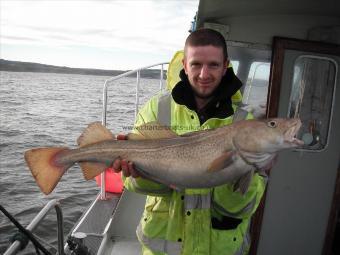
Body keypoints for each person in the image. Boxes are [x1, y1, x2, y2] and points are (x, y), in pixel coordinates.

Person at [112, 28, 266, 255]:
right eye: (196, 64)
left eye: (213, 65)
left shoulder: (245, 121)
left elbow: (243, 208)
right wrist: (140, 174)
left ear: (225, 66)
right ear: (184, 65)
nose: (204, 74)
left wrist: (245, 169)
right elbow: (134, 185)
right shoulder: (157, 108)